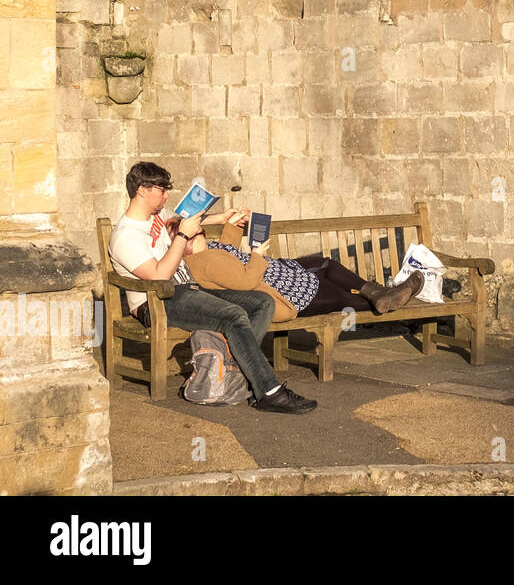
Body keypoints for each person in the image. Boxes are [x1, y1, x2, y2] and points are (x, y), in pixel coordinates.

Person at [107, 162, 316, 414]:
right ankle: (269, 391)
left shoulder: (155, 216)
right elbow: (158, 279)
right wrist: (183, 236)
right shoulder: (126, 236)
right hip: (156, 303)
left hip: (187, 290)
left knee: (262, 302)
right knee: (234, 316)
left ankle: (238, 378)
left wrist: (223, 218)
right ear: (142, 190)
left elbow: (179, 220)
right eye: (162, 190)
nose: (166, 195)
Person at [181, 210, 424, 320]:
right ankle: (384, 297)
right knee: (336, 290)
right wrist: (256, 254)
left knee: (325, 268)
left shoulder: (209, 252)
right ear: (187, 245)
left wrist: (233, 225)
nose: (200, 230)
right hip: (282, 291)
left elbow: (229, 257)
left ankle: (382, 295)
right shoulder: (204, 261)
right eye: (197, 231)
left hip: (278, 276)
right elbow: (243, 281)